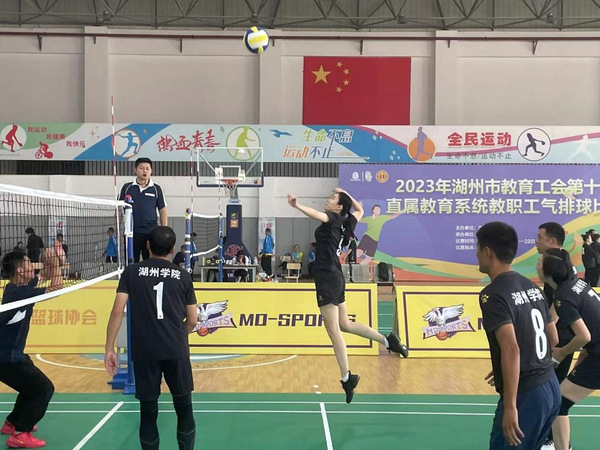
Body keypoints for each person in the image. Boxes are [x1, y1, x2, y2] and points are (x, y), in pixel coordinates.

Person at [287, 187, 408, 404]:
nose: (328, 200)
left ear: (339, 207)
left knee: (333, 329)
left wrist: (297, 206)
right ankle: (388, 341)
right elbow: (360, 210)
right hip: (336, 276)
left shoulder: (333, 218)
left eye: (333, 198)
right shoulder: (348, 222)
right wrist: (345, 193)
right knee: (345, 324)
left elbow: (315, 214)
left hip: (327, 277)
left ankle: (347, 377)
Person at [104, 226, 197, 450]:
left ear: (147, 246)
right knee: (184, 409)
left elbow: (117, 311)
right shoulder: (183, 276)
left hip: (145, 350)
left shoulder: (131, 272)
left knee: (148, 413)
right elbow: (193, 320)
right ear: (173, 249)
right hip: (175, 349)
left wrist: (109, 348)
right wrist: (179, 335)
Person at [476, 222, 560, 449]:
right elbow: (553, 337)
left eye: (478, 248)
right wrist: (509, 366)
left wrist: (511, 406)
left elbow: (511, 348)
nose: (476, 254)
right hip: (551, 386)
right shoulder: (531, 286)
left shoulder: (493, 295)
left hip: (527, 395)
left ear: (487, 252)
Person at [537, 248, 600, 450]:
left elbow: (584, 336)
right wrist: (582, 360)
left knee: (559, 403)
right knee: (560, 402)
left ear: (549, 270)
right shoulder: (578, 284)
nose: (537, 265)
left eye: (540, 262)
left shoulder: (562, 297)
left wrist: (561, 353)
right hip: (595, 355)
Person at [0, 249, 63, 448]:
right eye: (28, 262)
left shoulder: (18, 287)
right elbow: (57, 287)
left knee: (29, 388)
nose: (33, 265)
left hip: (11, 356)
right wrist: (55, 262)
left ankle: (12, 423)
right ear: (20, 270)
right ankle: (20, 434)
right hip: (7, 360)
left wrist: (50, 263)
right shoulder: (19, 293)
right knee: (43, 389)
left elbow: (43, 276)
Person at [535, 222, 579, 449]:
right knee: (553, 391)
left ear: (552, 241)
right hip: (561, 336)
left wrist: (545, 330)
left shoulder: (557, 265)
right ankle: (550, 439)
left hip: (560, 339)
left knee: (552, 391)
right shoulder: (561, 261)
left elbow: (560, 304)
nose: (536, 241)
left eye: (540, 237)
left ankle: (551, 441)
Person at [119, 157, 167, 263]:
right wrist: (116, 229)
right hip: (131, 233)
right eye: (141, 168)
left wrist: (164, 231)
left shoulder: (156, 189)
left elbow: (162, 210)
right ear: (135, 170)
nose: (145, 171)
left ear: (151, 171)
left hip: (151, 233)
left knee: (151, 263)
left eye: (147, 168)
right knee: (131, 263)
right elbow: (119, 210)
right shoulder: (127, 188)